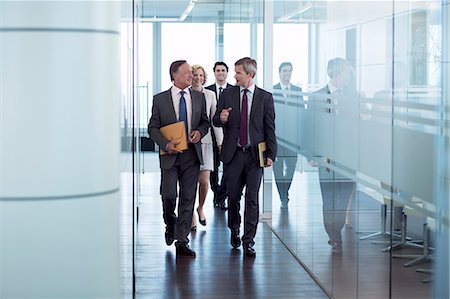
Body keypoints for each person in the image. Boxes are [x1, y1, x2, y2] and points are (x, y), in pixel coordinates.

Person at [213, 57, 277, 258]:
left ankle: (249, 240)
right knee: (233, 196)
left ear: (250, 74)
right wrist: (220, 118)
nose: (234, 76)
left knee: (252, 198)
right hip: (233, 155)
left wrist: (271, 154)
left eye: (238, 73)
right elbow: (216, 118)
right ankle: (234, 229)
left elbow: (270, 128)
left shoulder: (265, 97)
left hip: (255, 156)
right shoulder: (228, 94)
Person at [148, 60, 210, 258]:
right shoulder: (160, 99)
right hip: (170, 155)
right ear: (174, 75)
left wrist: (200, 133)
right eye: (186, 73)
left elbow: (205, 123)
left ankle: (182, 240)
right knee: (168, 195)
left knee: (187, 198)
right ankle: (170, 223)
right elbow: (152, 128)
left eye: (191, 73)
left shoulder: (199, 97)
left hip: (192, 155)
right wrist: (166, 144)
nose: (191, 76)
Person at [313, 57, 357, 254]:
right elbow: (311, 126)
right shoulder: (317, 96)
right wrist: (313, 155)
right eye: (347, 72)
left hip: (349, 156)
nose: (349, 76)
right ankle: (334, 235)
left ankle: (335, 229)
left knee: (344, 195)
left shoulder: (353, 95)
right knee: (329, 198)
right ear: (337, 73)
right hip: (327, 158)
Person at [190, 64, 224, 231]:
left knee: (204, 182)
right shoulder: (186, 93)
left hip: (206, 143)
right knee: (188, 182)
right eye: (195, 75)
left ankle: (200, 207)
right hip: (189, 144)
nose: (198, 78)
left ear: (204, 77)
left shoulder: (210, 95)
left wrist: (220, 142)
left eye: (201, 75)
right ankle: (191, 214)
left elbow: (214, 121)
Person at [273, 62, 303, 209]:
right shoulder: (272, 90)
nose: (287, 73)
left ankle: (285, 191)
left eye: (289, 71)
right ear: (279, 73)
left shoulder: (298, 91)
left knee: (291, 168)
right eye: (284, 71)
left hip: (292, 139)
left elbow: (301, 115)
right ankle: (283, 196)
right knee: (277, 170)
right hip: (277, 139)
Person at [206, 61, 233, 210]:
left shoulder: (233, 91)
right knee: (213, 168)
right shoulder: (207, 90)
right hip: (211, 135)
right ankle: (216, 192)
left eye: (223, 70)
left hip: (229, 136)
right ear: (214, 73)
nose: (221, 73)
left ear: (227, 73)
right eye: (218, 70)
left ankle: (221, 196)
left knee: (228, 168)